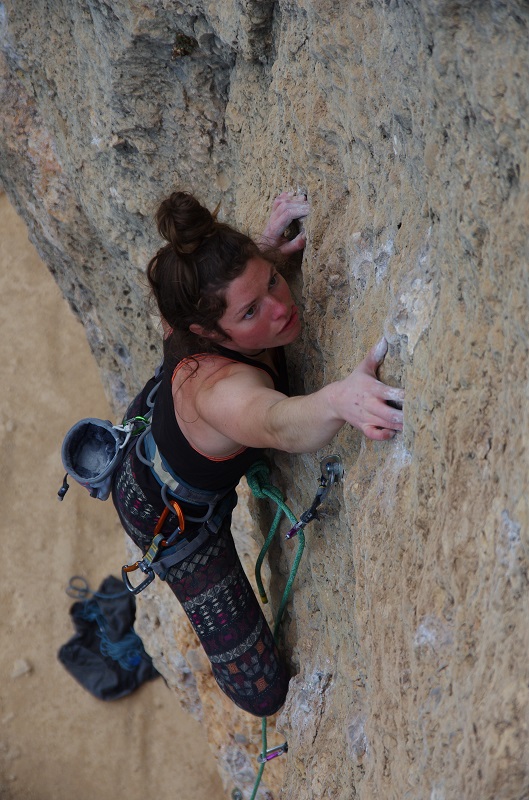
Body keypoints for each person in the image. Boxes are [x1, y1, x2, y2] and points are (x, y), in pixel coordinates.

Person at [112, 191, 404, 717]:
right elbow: (279, 424)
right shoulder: (224, 394)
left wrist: (265, 250)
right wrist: (341, 399)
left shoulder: (193, 300)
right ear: (204, 332)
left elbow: (208, 293)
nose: (280, 305)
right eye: (251, 311)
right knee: (262, 691)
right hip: (171, 518)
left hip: (157, 429)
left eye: (270, 280)